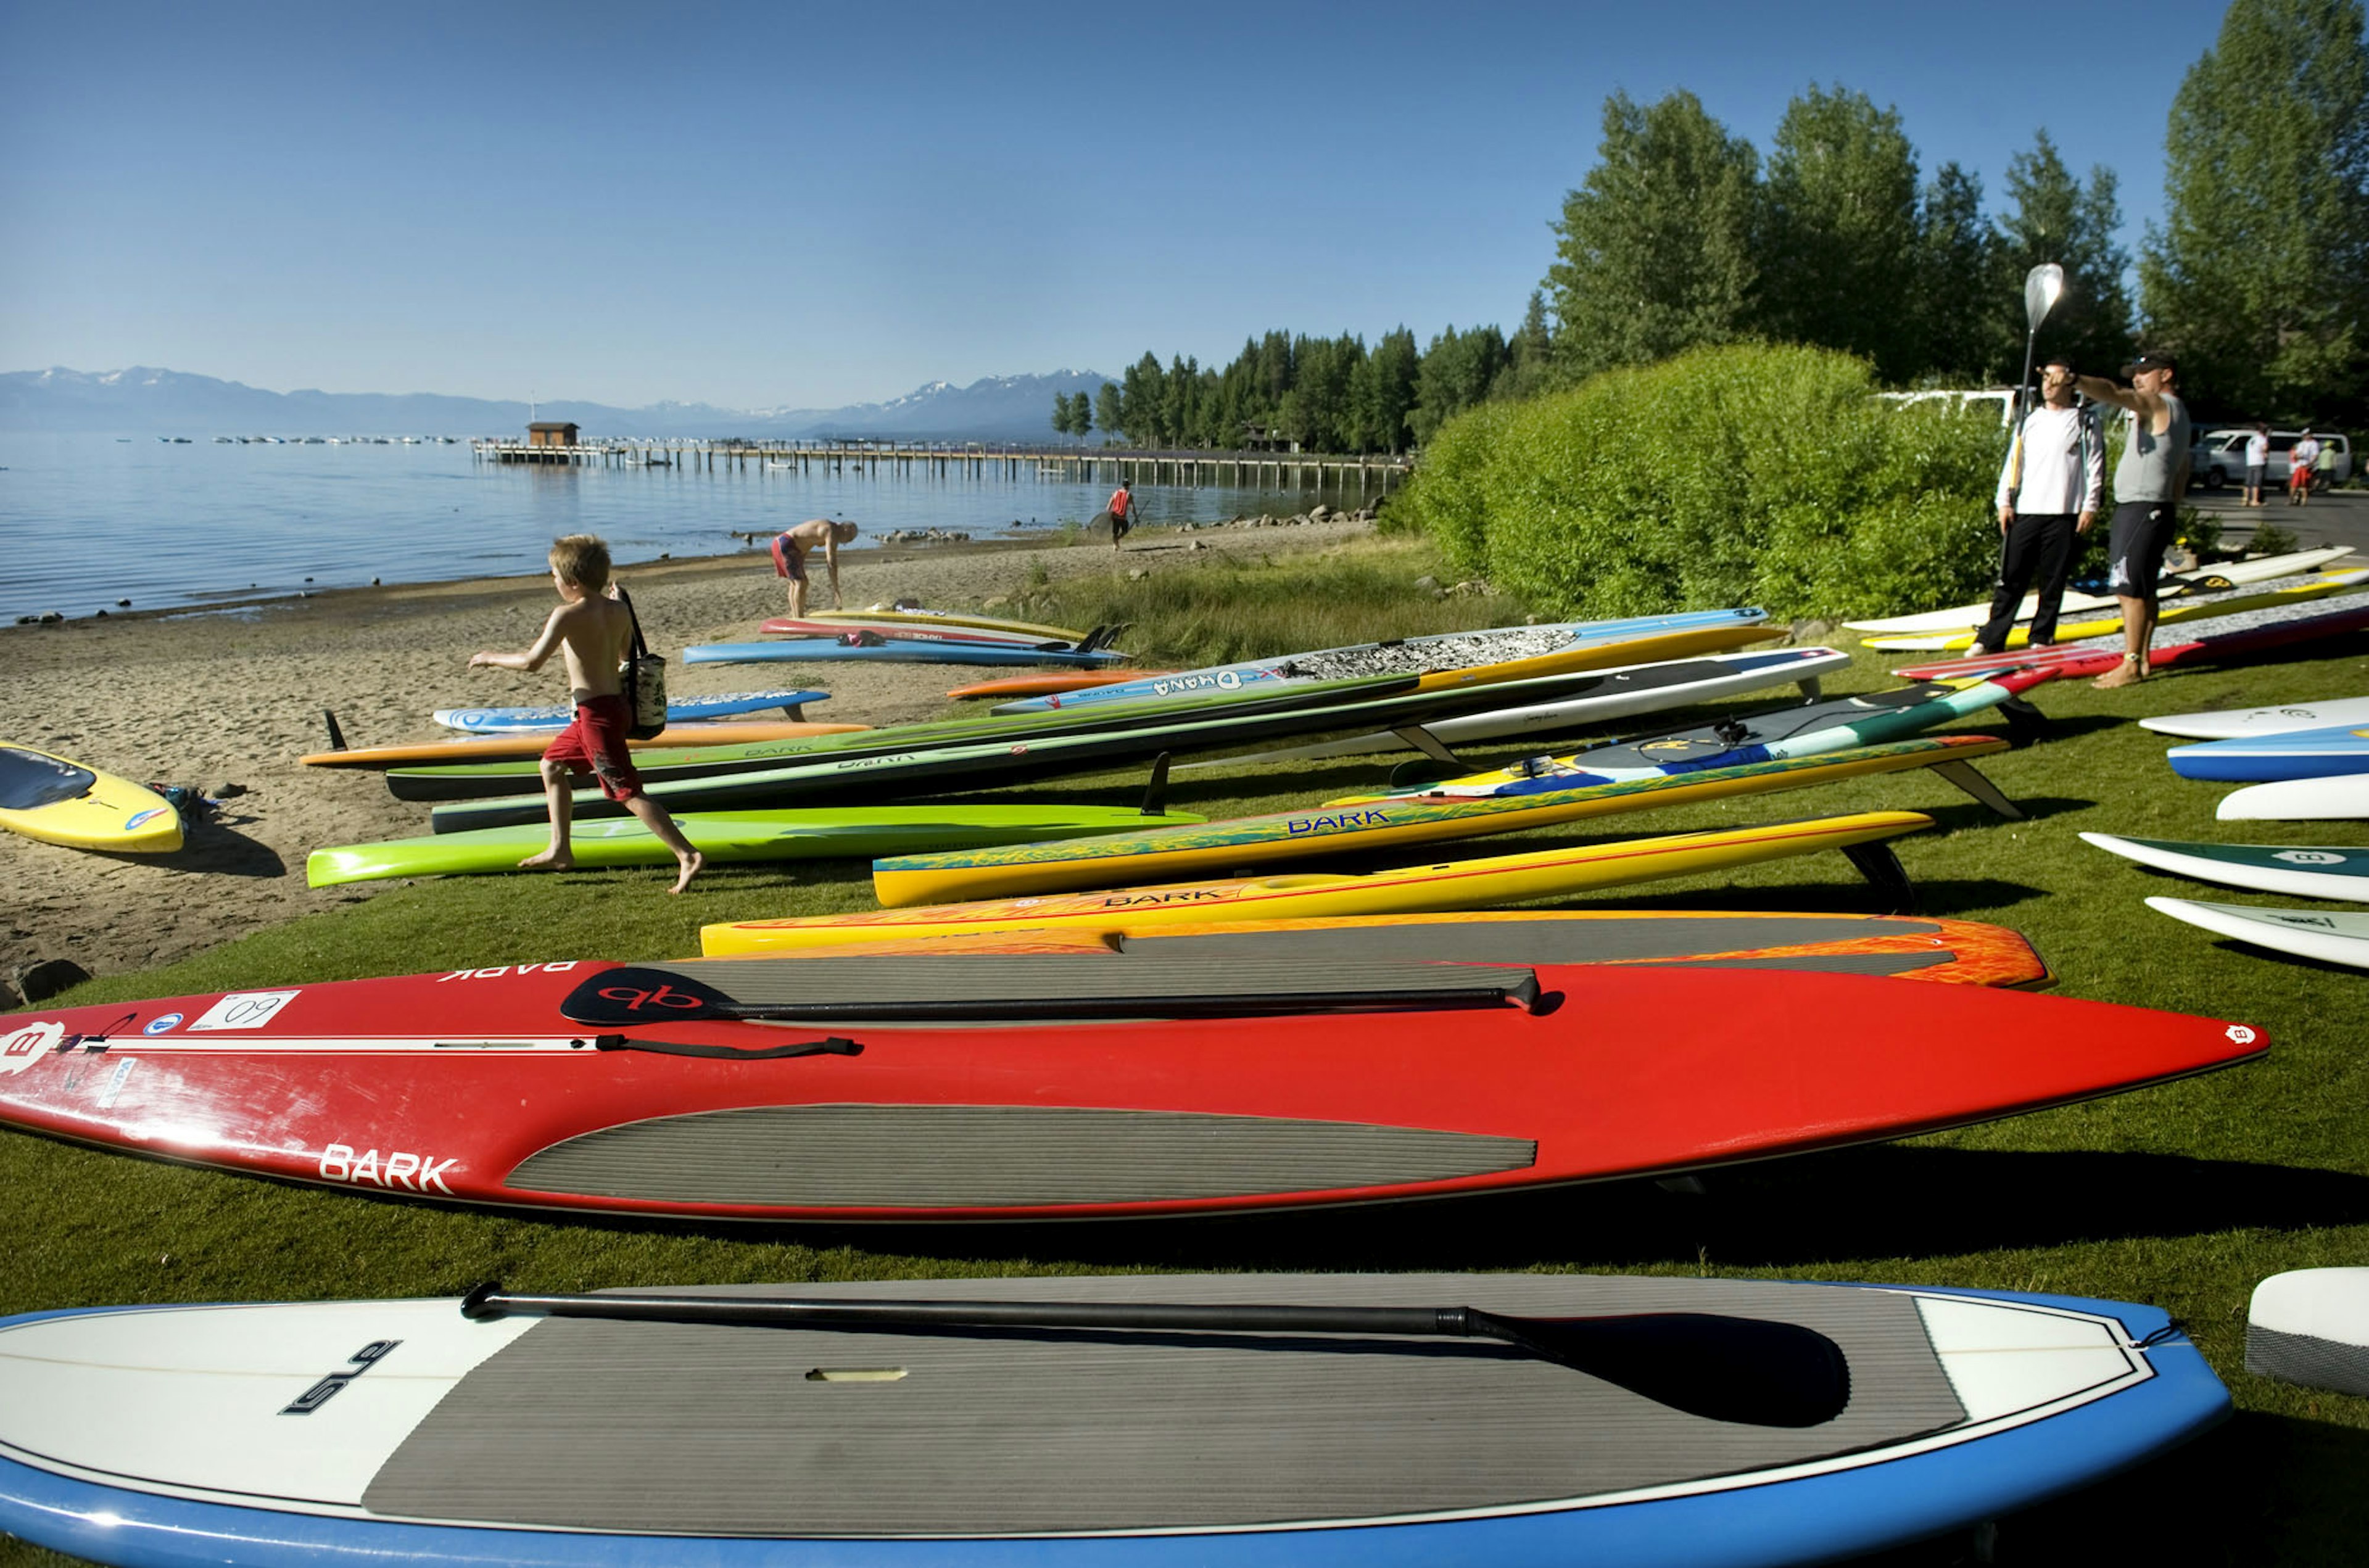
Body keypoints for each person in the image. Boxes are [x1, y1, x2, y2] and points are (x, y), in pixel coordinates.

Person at [469, 535, 702, 893]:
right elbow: (627, 655)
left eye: (554, 576)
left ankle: (686, 854)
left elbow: (532, 663)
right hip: (609, 710)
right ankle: (561, 849)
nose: (553, 582)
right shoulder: (618, 609)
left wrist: (490, 657)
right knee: (551, 766)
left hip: (596, 717)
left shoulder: (566, 614)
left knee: (626, 791)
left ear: (573, 582)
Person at [2070, 353, 2191, 690]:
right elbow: (2184, 467)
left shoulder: (2158, 404)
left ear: (2166, 375)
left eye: (2144, 372)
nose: (2137, 379)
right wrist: (2170, 504)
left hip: (2141, 507)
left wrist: (2075, 380)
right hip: (2155, 507)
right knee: (2144, 587)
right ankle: (2143, 658)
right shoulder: (2180, 411)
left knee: (2129, 590)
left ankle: (2131, 664)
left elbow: (2116, 393)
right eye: (2134, 373)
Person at [1974, 358, 2102, 654]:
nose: (2049, 385)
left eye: (2055, 379)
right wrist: (2004, 500)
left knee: (2052, 581)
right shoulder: (2030, 420)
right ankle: (1991, 637)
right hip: (2028, 509)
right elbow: (2014, 462)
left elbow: (2095, 467)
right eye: (2045, 379)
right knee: (2011, 577)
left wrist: (2090, 505)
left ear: (2069, 383)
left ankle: (2041, 637)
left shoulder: (2085, 421)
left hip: (2064, 511)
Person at [771, 518, 858, 616]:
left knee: (795, 583)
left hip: (784, 545)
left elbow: (808, 539)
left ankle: (796, 616)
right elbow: (831, 561)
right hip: (786, 544)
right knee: (802, 583)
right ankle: (799, 618)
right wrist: (836, 590)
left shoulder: (831, 528)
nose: (847, 543)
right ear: (847, 529)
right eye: (850, 539)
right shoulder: (831, 530)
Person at [1095, 481, 1135, 550]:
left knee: (1115, 532)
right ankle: (1116, 541)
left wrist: (1107, 513)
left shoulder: (1116, 493)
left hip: (1115, 515)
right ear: (1128, 486)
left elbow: (1110, 504)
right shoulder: (1129, 494)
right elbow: (1132, 507)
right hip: (1122, 516)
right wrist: (1136, 516)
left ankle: (1115, 544)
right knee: (1125, 531)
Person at [2290, 430, 2322, 506]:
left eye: (2307, 435)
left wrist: (2310, 464)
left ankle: (2304, 501)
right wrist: (2297, 456)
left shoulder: (2314, 444)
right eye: (2304, 435)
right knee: (2294, 484)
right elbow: (2296, 454)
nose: (2306, 436)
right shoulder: (2301, 444)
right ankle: (2292, 500)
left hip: (2306, 466)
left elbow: (2315, 455)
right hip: (2298, 466)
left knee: (2304, 485)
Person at [2244, 423, 2270, 507]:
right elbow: (2265, 450)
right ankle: (2255, 500)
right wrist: (2266, 457)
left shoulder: (2252, 439)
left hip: (2250, 462)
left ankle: (2246, 499)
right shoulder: (2263, 439)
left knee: (2248, 483)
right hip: (2259, 462)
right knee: (2257, 483)